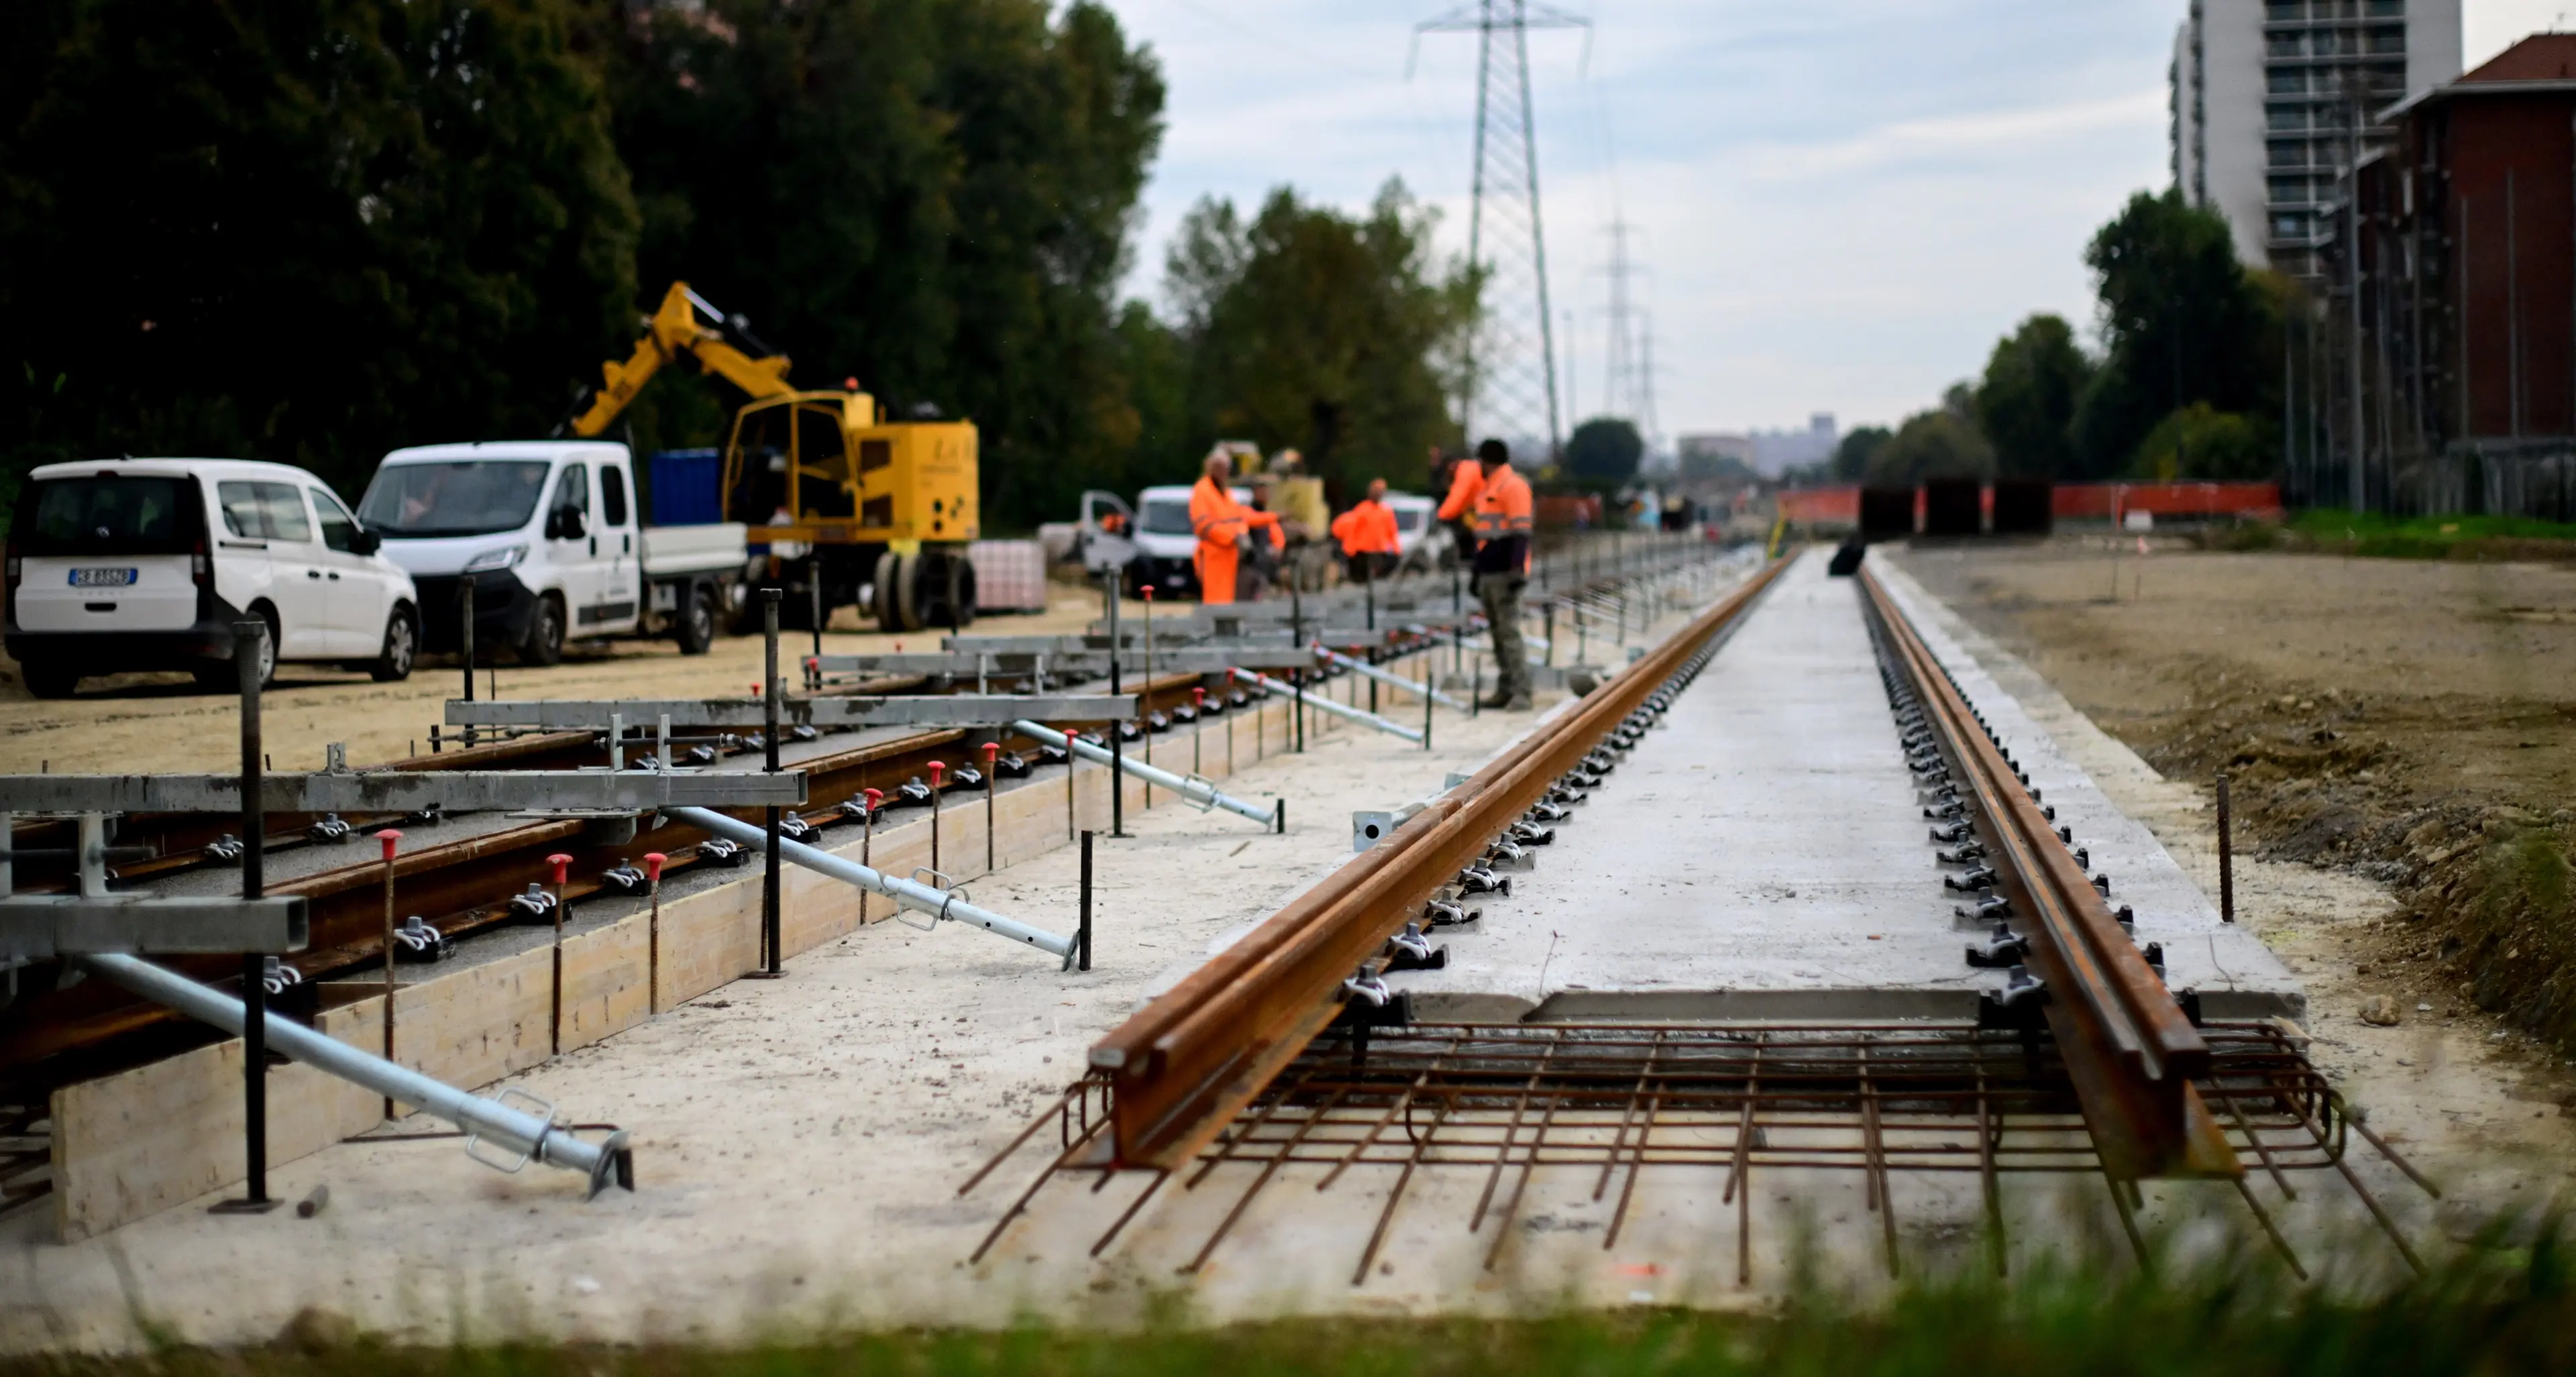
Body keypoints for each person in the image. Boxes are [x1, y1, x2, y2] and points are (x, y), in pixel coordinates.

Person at [1468, 438, 1534, 710]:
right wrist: (1476, 572)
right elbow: (1484, 536)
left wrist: (1516, 570)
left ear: (1486, 460)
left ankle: (1522, 691)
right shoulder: (1488, 489)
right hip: (1489, 570)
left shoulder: (1513, 486)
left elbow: (1521, 532)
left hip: (1505, 573)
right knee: (1497, 633)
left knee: (1508, 633)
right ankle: (1505, 689)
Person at [1188, 450, 1279, 606]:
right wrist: (1233, 537)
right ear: (1210, 467)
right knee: (1214, 600)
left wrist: (1273, 518)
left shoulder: (1226, 493)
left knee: (1227, 600)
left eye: (1226, 468)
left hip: (1229, 555)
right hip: (1213, 555)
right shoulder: (1202, 491)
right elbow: (1203, 526)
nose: (1224, 472)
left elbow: (1240, 518)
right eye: (1220, 467)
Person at [1330, 478, 1401, 584]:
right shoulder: (1362, 510)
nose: (1378, 494)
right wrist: (1349, 549)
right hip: (1362, 552)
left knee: (1378, 574)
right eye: (1376, 491)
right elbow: (1351, 529)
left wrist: (1396, 550)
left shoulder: (1386, 511)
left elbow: (1392, 531)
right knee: (1361, 576)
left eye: (1381, 491)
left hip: (1379, 551)